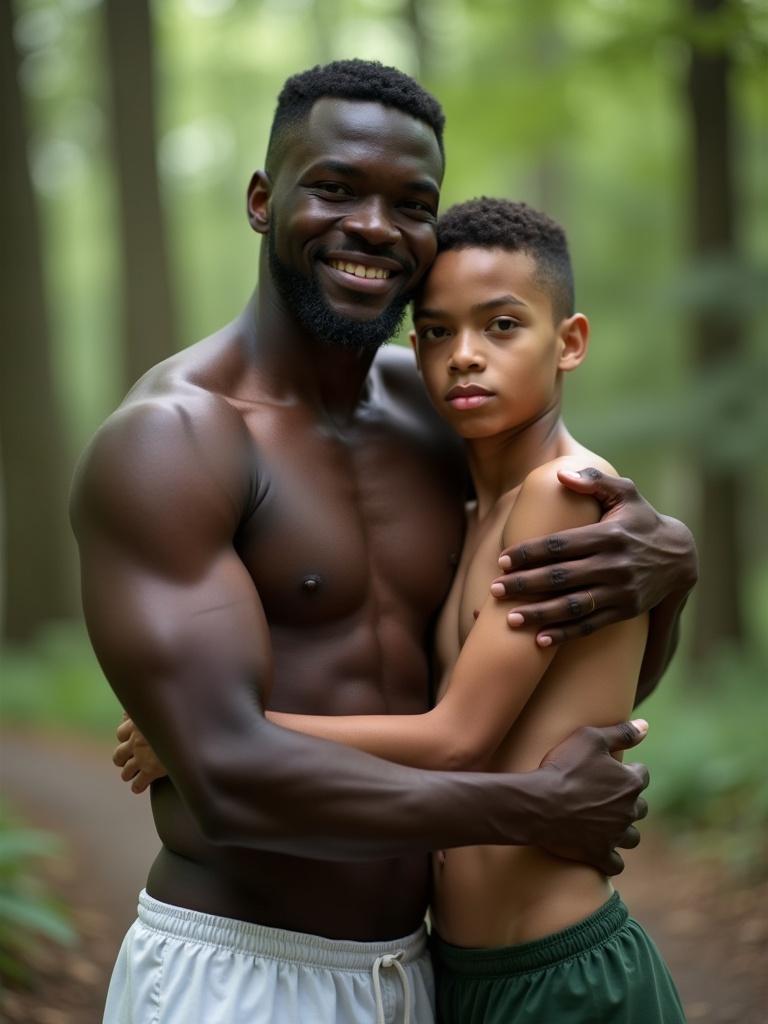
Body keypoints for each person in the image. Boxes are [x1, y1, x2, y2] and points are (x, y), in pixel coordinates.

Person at [75, 61, 696, 1024]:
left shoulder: (434, 410)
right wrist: (525, 808)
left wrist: (674, 568)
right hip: (241, 973)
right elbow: (229, 783)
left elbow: (565, 682)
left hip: (421, 976)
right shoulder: (175, 442)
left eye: (411, 202)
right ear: (259, 199)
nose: (373, 225)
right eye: (333, 187)